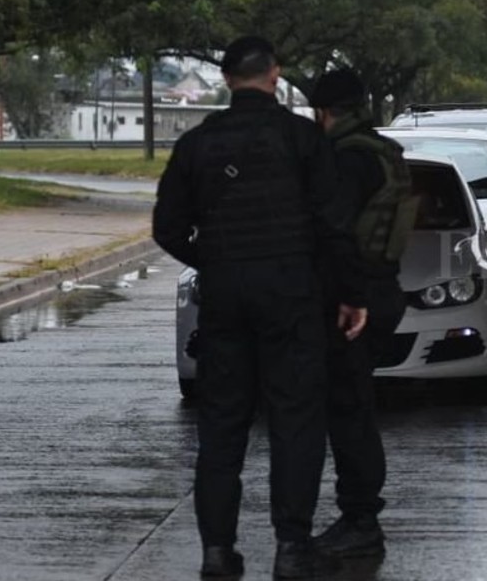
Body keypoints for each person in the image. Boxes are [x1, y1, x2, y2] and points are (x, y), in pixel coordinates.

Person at [152, 36, 367, 579]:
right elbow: (333, 225)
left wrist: (215, 258)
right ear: (275, 74)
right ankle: (292, 546)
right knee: (296, 422)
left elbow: (166, 227)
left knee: (221, 427)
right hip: (292, 296)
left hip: (225, 299)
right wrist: (350, 294)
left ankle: (217, 552)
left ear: (225, 79)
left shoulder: (197, 144)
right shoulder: (301, 138)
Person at [306, 69, 413, 560]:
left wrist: (348, 299)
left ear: (324, 112)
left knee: (349, 414)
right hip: (382, 286)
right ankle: (359, 516)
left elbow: (336, 232)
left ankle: (359, 520)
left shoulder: (346, 159)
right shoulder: (382, 151)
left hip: (356, 297)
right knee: (355, 409)